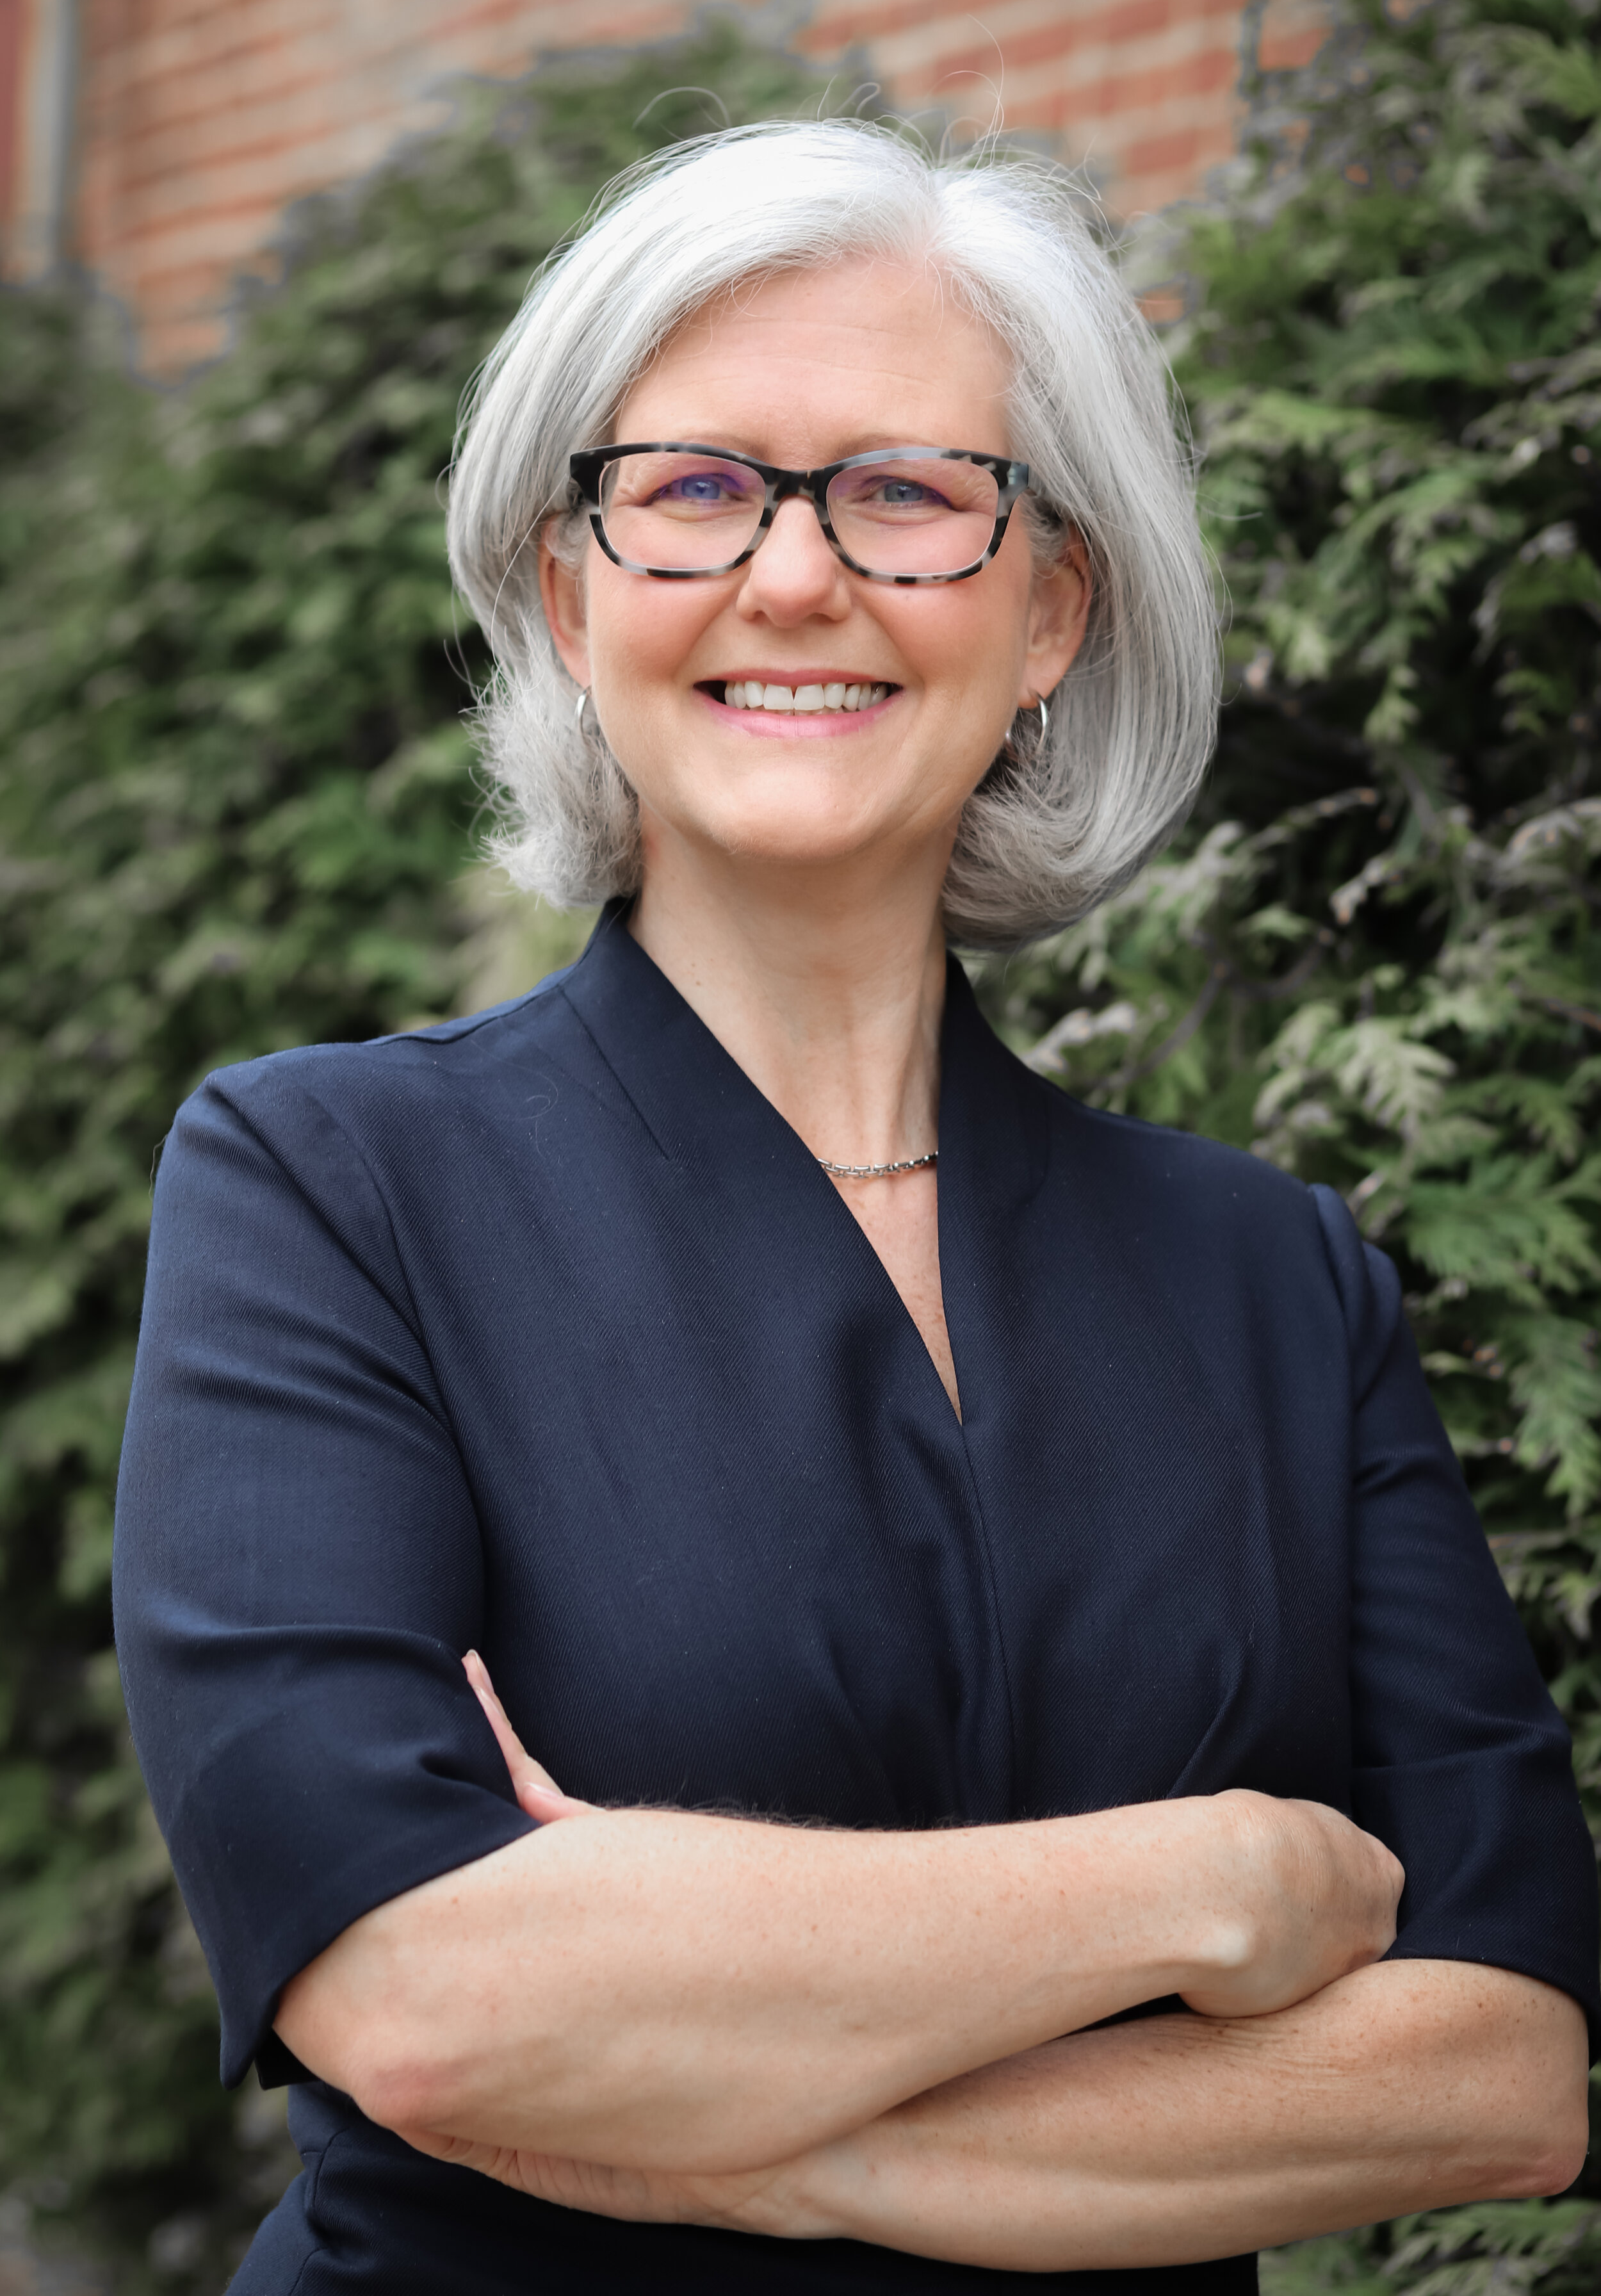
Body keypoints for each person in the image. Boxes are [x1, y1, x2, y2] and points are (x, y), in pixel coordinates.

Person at [112, 121, 1598, 2295]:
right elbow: (425, 1998)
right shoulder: (327, 1188)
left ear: (1046, 610)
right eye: (693, 488)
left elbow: (1502, 2071)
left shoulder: (1274, 1279)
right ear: (572, 597)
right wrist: (1216, 1882)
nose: (793, 578)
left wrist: (768, 2152)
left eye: (903, 491)